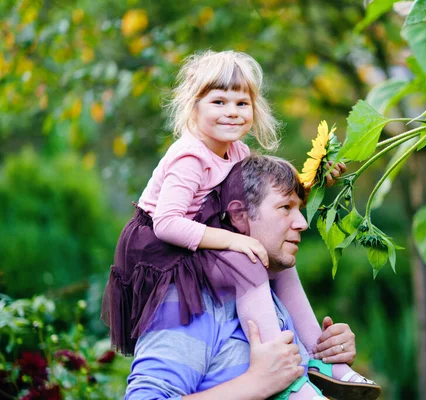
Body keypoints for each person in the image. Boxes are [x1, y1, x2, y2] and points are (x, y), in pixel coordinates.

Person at [101, 51, 373, 399]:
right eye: (218, 101)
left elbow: (262, 194)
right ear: (193, 107)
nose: (232, 111)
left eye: (242, 103)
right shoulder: (189, 158)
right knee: (250, 259)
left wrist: (317, 181)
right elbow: (167, 223)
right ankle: (285, 371)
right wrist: (259, 382)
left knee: (270, 263)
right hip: (165, 252)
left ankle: (316, 356)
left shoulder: (238, 153)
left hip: (202, 238)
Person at [125, 155, 378, 400]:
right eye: (285, 207)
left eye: (299, 209)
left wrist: (331, 352)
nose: (302, 222)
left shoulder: (275, 300)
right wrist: (253, 384)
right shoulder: (192, 302)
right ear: (239, 215)